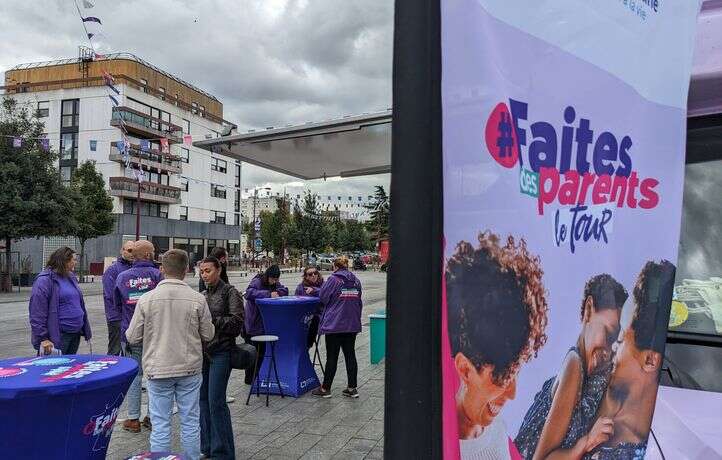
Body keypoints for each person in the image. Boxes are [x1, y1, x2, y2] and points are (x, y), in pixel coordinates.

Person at [445, 232, 549, 459]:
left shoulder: (495, 427)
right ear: (464, 369)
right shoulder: (444, 446)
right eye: (502, 377)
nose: (512, 393)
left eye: (515, 373)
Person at [515, 275, 628, 460]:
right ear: (589, 310)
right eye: (608, 333)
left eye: (615, 340)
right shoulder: (574, 365)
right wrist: (587, 442)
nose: (609, 349)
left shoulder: (588, 372)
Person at [125, 249, 215, 460]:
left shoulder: (147, 299)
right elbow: (208, 334)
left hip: (158, 368)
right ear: (186, 270)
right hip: (190, 368)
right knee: (190, 421)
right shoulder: (197, 299)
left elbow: (132, 336)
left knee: (160, 423)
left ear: (162, 269)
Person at [583, 261, 675, 460]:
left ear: (650, 360)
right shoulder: (590, 394)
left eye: (621, 337)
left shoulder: (655, 443)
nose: (612, 347)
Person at [114, 240, 163, 433]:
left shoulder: (122, 277)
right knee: (154, 376)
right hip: (156, 333)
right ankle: (152, 417)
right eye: (153, 251)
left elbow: (116, 305)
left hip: (132, 332)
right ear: (148, 255)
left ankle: (133, 418)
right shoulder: (158, 276)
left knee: (136, 376)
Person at [198, 256, 244, 460]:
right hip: (203, 353)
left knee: (216, 401)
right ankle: (207, 446)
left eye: (208, 270)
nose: (204, 274)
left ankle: (223, 452)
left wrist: (210, 320)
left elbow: (236, 323)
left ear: (219, 270)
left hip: (222, 351)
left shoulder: (230, 292)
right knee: (203, 400)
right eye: (201, 271)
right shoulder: (202, 295)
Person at [311, 256, 363, 399]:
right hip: (352, 324)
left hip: (335, 324)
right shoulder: (356, 281)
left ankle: (325, 388)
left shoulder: (334, 280)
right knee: (350, 355)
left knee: (332, 357)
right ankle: (352, 388)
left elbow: (323, 297)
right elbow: (359, 300)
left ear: (335, 267)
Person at [29, 247, 92, 355]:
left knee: (69, 368)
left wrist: (85, 329)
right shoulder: (44, 280)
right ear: (65, 260)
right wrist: (42, 338)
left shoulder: (70, 277)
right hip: (57, 337)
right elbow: (37, 312)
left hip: (74, 334)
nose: (75, 263)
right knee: (54, 369)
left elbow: (79, 304)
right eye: (74, 259)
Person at [244, 265, 289, 383]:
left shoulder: (274, 283)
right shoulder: (257, 281)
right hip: (253, 323)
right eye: (273, 279)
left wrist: (276, 291)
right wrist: (268, 294)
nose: (275, 281)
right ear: (268, 276)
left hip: (264, 323)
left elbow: (285, 290)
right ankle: (250, 379)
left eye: (276, 279)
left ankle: (256, 377)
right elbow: (248, 293)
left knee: (262, 352)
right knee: (252, 352)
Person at [102, 241, 134, 355]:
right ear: (122, 251)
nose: (132, 253)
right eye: (129, 250)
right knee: (115, 349)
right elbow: (110, 295)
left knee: (129, 349)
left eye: (134, 251)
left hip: (130, 316)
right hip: (116, 317)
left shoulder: (134, 268)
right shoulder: (113, 269)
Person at [295, 266, 324, 349]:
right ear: (306, 276)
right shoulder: (300, 287)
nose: (313, 275)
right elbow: (297, 301)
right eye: (310, 274)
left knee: (313, 320)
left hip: (319, 315)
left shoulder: (324, 285)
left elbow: (327, 295)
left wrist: (315, 291)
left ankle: (307, 346)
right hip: (304, 315)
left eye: (315, 273)